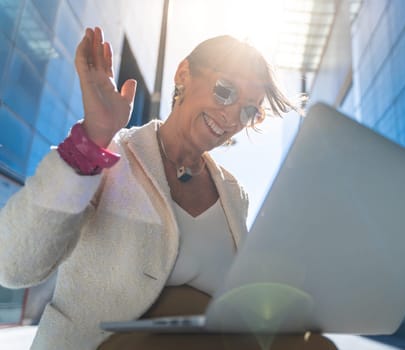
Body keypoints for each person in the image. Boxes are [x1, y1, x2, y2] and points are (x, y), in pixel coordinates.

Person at [0, 27, 337, 349]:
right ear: (183, 74)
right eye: (225, 90)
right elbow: (13, 265)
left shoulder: (235, 195)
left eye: (248, 110)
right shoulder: (108, 156)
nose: (232, 116)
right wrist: (92, 139)